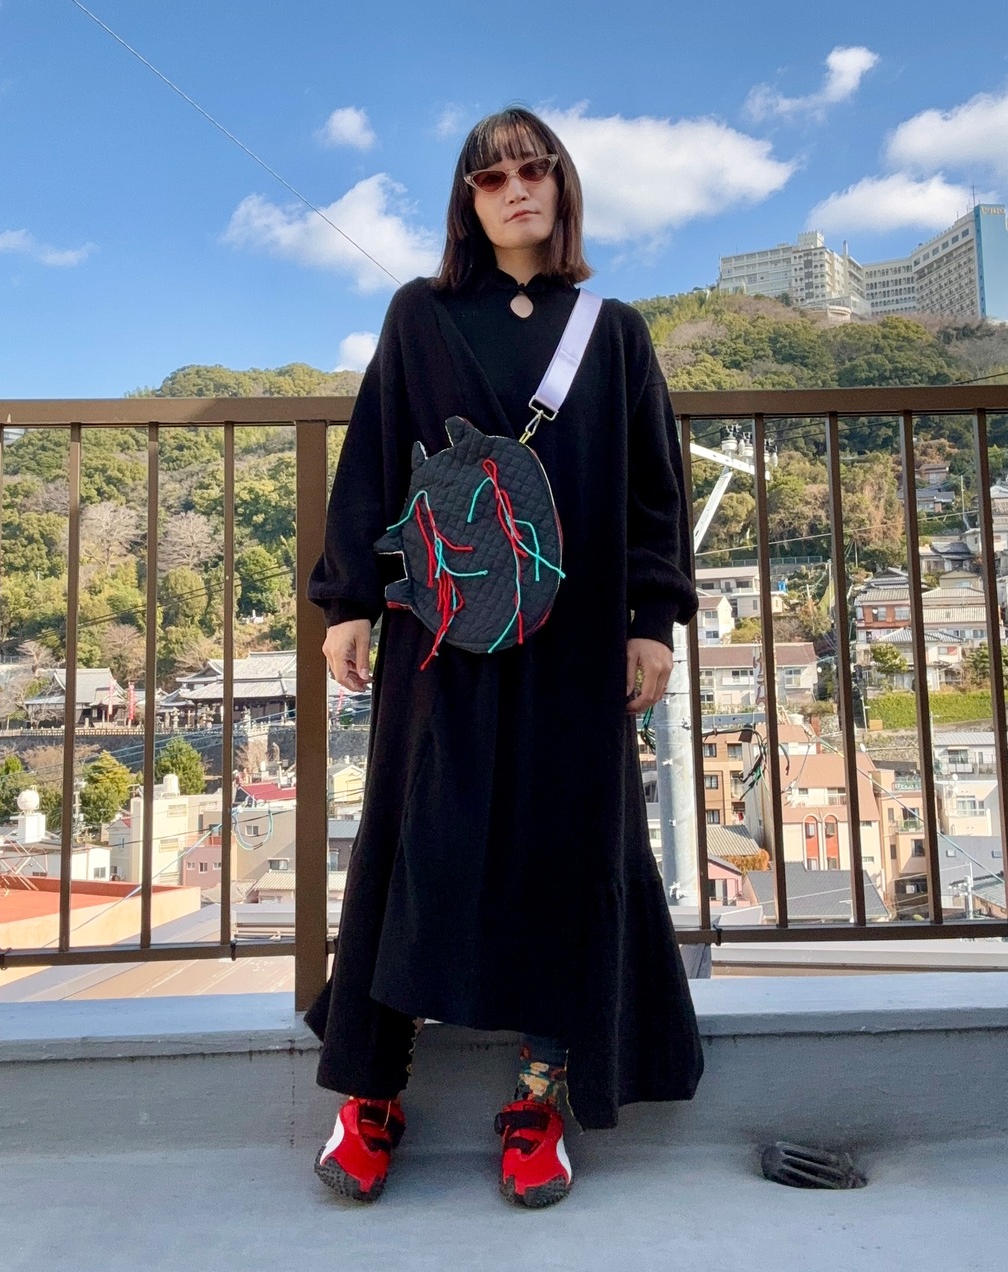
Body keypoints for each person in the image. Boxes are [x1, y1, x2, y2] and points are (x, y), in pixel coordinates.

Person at [306, 107, 702, 1208]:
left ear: (561, 186)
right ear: (467, 201)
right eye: (491, 177)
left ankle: (537, 1099)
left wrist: (652, 621)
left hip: (577, 641)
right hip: (442, 632)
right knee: (415, 836)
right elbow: (373, 459)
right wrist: (347, 602)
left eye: (534, 169)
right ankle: (371, 1090)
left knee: (563, 845)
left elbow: (653, 492)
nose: (515, 188)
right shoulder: (419, 314)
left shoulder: (611, 331)